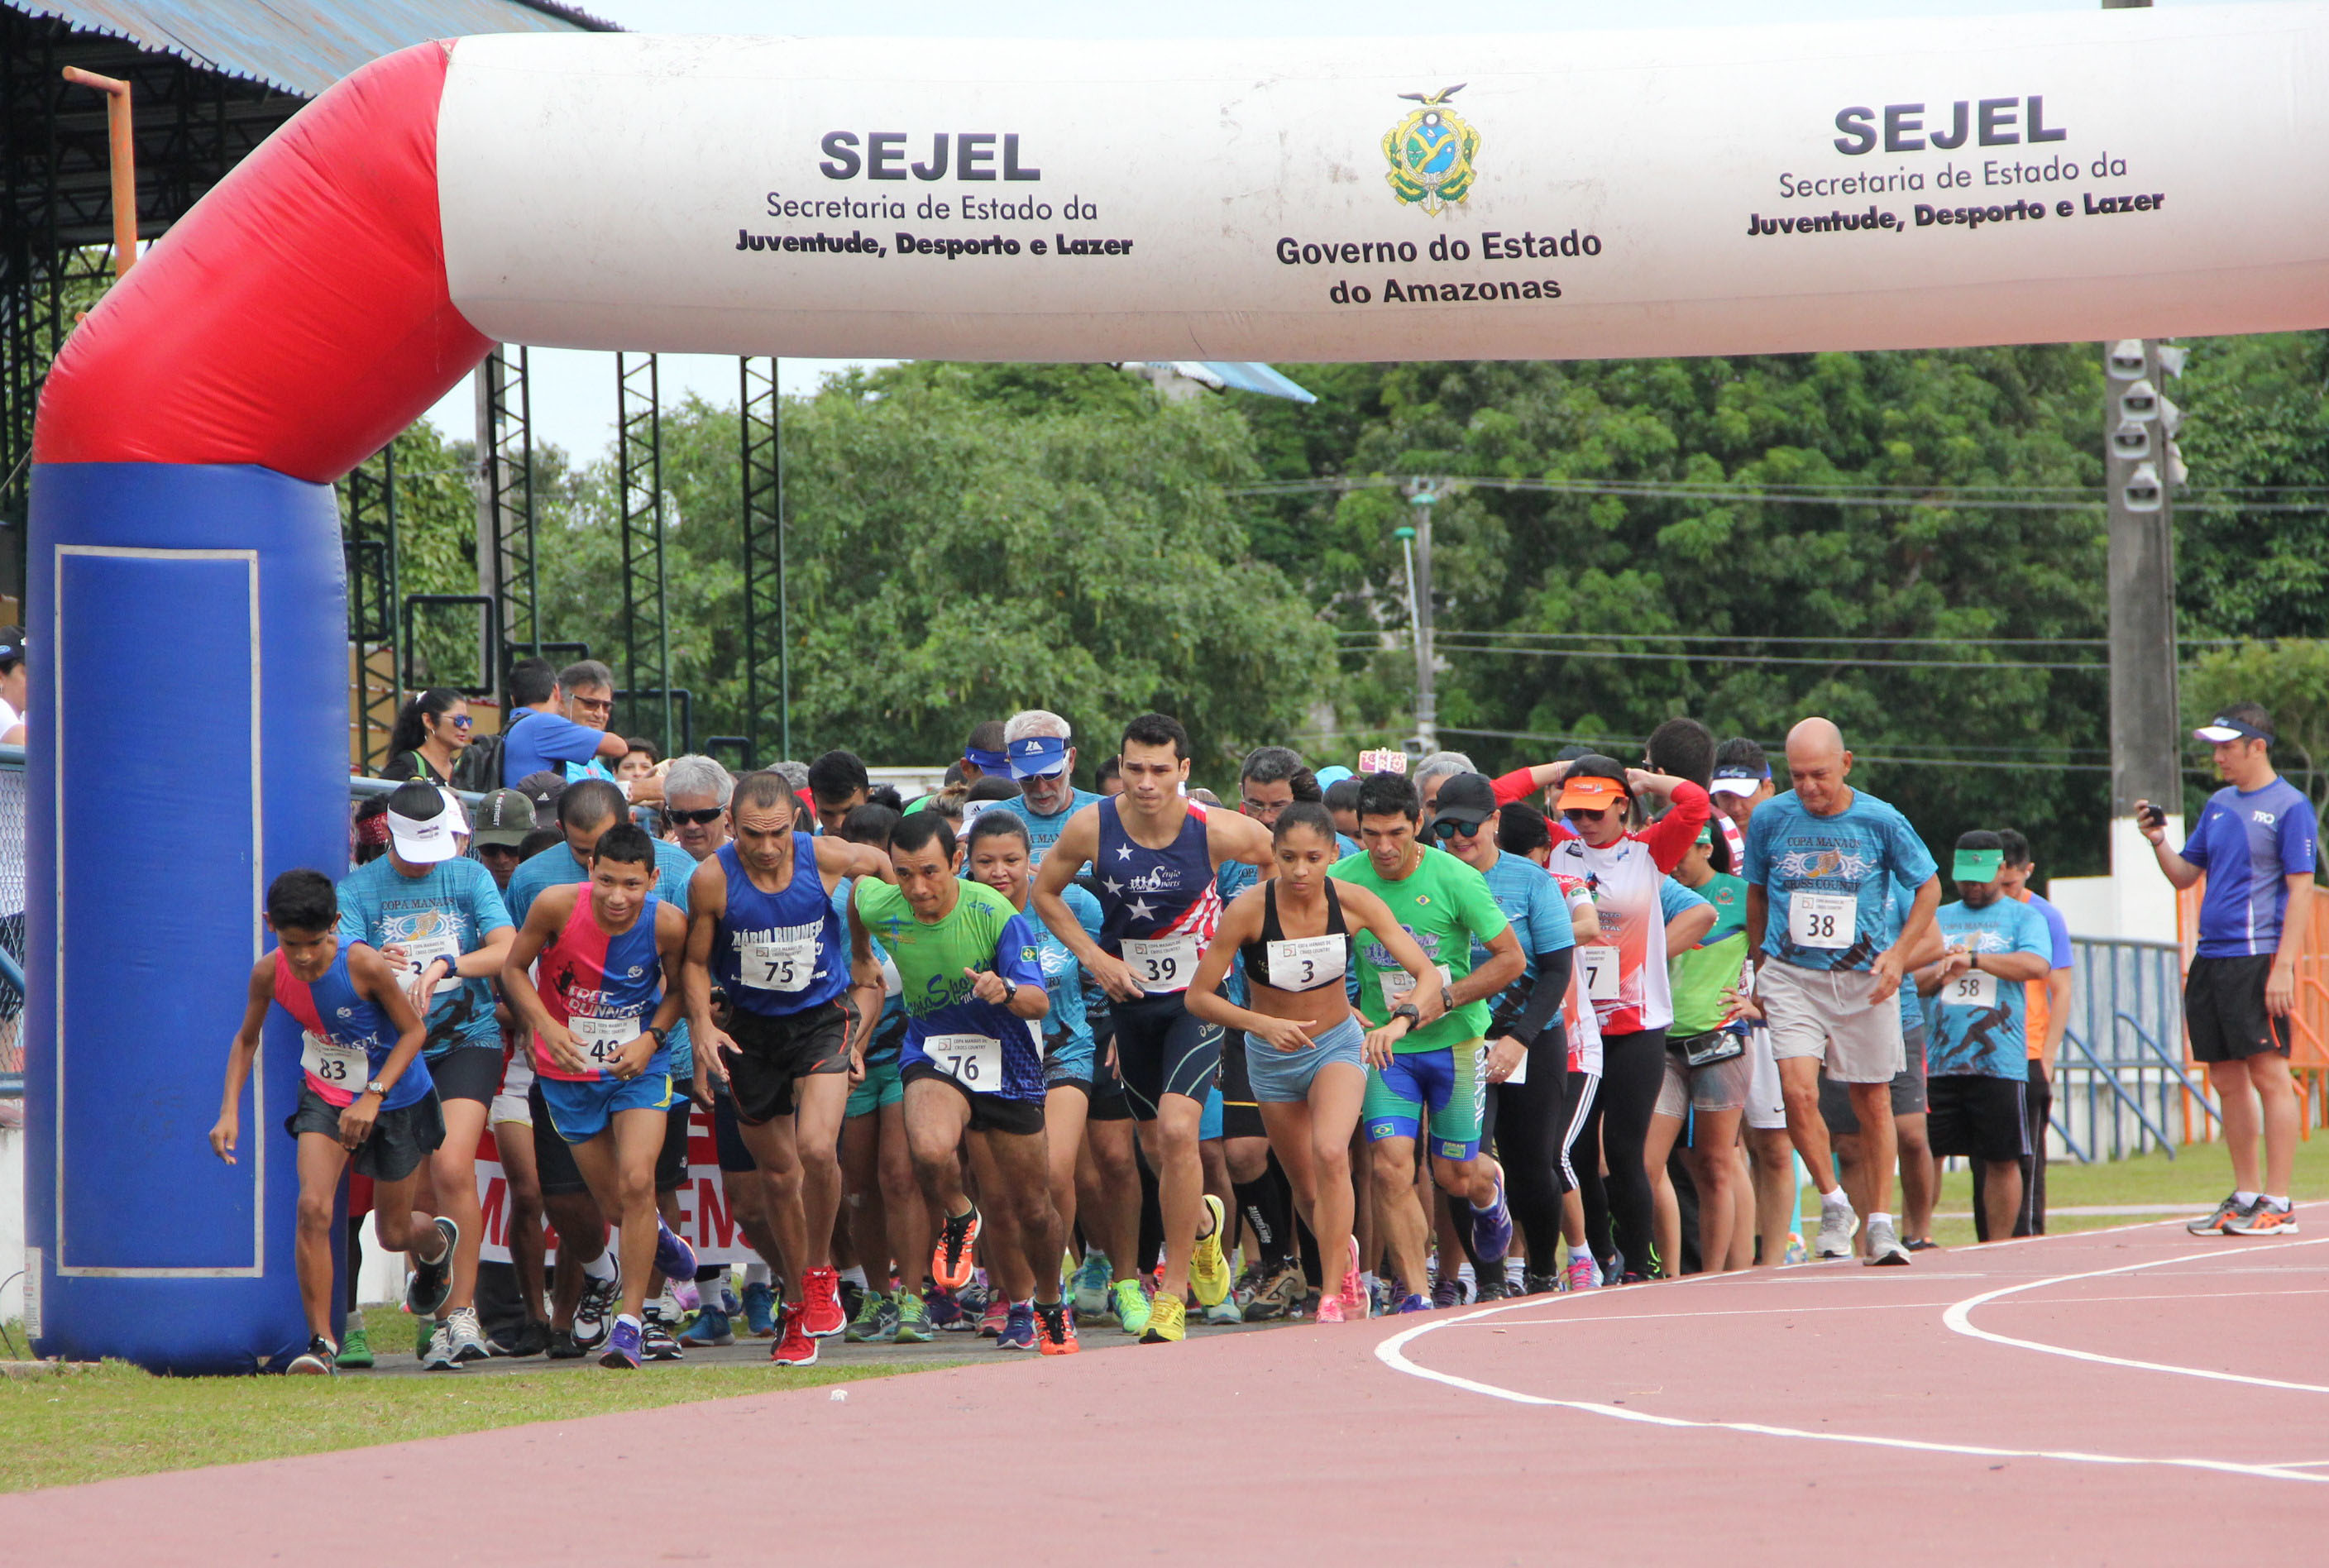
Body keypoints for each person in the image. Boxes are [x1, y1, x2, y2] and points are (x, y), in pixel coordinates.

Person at [1032, 712, 1273, 1343]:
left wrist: (1240, 935)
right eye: (1135, 768)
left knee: (1176, 1129)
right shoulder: (1092, 825)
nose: (1146, 783)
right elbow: (1046, 895)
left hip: (1195, 1002)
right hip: (1129, 1002)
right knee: (1153, 1147)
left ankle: (1172, 1291)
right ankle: (1201, 1230)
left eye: (1160, 770)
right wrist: (1096, 958)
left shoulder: (1217, 830)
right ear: (1119, 768)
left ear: (1184, 772)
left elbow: (1281, 868)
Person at [1193, 799, 1446, 1322]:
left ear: (1334, 853)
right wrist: (1262, 1024)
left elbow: (1428, 975)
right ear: (1274, 856)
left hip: (1336, 1043)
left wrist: (1401, 1021)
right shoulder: (1248, 908)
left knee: (1332, 1152)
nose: (1300, 870)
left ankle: (1334, 1288)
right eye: (1288, 858)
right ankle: (1342, 1253)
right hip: (1271, 1052)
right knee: (1307, 1189)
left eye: (1313, 857)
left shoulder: (1355, 902)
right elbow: (1199, 997)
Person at [208, 870, 453, 1374]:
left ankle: (437, 1245)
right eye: (290, 942)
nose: (302, 956)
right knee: (314, 1208)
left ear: (336, 926)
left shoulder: (361, 964)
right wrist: (228, 1108)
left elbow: (413, 1033)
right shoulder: (266, 973)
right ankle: (321, 1342)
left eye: (315, 944)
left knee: (393, 1234)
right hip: (324, 1092)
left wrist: (373, 1095)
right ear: (269, 924)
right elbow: (246, 1039)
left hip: (395, 1098)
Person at [683, 770, 890, 1365]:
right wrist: (702, 1026)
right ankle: (796, 1304)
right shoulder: (712, 880)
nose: (767, 847)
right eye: (752, 835)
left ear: (795, 823)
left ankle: (822, 1273)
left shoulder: (824, 856)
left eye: (777, 833)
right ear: (731, 823)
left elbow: (879, 872)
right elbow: (695, 965)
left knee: (818, 1150)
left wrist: (861, 947)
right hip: (749, 1031)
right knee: (777, 1178)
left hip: (822, 1019)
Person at [856, 812, 1077, 1354]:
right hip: (935, 1048)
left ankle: (1049, 1303)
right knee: (929, 1151)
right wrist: (863, 958)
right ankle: (959, 1212)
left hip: (1008, 1060)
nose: (918, 888)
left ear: (955, 862)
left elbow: (1038, 1001)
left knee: (1032, 1206)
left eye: (930, 872)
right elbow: (858, 893)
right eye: (904, 874)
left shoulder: (995, 914)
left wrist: (1002, 989)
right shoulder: (882, 903)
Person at [503, 780, 698, 1357]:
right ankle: (657, 1239)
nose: (617, 896)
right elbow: (515, 971)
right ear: (591, 871)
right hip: (568, 1074)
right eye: (606, 880)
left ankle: (631, 1324)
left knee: (640, 1181)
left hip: (638, 1067)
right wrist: (545, 1025)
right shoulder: (553, 906)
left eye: (631, 884)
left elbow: (682, 989)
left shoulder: (666, 924)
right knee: (616, 1205)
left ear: (652, 881)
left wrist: (653, 1038)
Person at [1743, 718, 1940, 1268]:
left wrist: (1898, 954)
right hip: (1790, 973)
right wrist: (1758, 966)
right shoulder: (1770, 818)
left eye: (1820, 775)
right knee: (1797, 1089)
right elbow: (1756, 896)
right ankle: (1833, 1201)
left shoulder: (1880, 820)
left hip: (1861, 979)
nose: (1808, 787)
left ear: (1846, 764)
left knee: (1871, 1097)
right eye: (1797, 776)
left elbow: (1929, 886)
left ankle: (1879, 1223)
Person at [336, 782, 514, 1368]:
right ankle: (436, 1304)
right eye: (415, 847)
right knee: (407, 1204)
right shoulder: (359, 888)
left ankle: (462, 1315)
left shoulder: (467, 877)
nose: (425, 860)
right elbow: (342, 960)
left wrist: (446, 964)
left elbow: (507, 948)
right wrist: (369, 963)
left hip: (467, 1038)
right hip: (394, 1053)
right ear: (389, 833)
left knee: (453, 1164)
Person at [1333, 770, 1523, 1310]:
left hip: (1455, 1044)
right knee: (1391, 1165)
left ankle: (1492, 1193)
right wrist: (1340, 1008)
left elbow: (1512, 959)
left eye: (1396, 832)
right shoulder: (1343, 879)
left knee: (1455, 1176)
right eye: (1371, 834)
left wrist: (1447, 996)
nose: (1384, 847)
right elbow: (1320, 958)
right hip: (1385, 1047)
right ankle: (1414, 1293)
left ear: (1419, 823)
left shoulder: (1456, 878)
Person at [2139, 703, 2317, 1237]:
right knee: (2224, 1077)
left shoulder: (2291, 807)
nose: (2217, 757)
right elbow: (2184, 876)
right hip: (2211, 958)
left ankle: (2279, 1201)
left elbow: (2301, 888)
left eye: (2226, 747)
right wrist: (2158, 842)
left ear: (2256, 746)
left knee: (2269, 1072)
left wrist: (2283, 966)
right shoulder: (2217, 805)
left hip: (2257, 957)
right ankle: (2245, 1195)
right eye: (2214, 748)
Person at [1547, 755, 1712, 1281]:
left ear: (1622, 807)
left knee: (1624, 1151)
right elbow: (1498, 800)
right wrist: (1557, 770)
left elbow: (1695, 803)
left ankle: (1640, 1265)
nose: (1585, 822)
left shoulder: (1648, 853)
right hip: (1577, 1024)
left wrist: (1646, 780)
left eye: (1596, 811)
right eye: (1575, 811)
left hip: (1637, 1025)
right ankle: (1600, 1258)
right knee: (1574, 1149)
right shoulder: (1557, 847)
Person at [1425, 773, 1578, 1297]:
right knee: (1460, 1161)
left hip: (1530, 1036)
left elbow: (1557, 969)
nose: (1459, 837)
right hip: (1459, 1039)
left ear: (1494, 822)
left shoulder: (1532, 881)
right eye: (1446, 828)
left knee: (1534, 1162)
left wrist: (1521, 1040)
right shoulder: (1429, 876)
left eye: (1470, 826)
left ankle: (1540, 1271)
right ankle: (1488, 1280)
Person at [658, 755, 788, 1346]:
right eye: (677, 817)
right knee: (700, 1180)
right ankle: (711, 1302)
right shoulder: (657, 867)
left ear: (729, 814)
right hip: (680, 1046)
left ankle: (767, 1288)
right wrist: (691, 1031)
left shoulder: (768, 861)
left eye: (704, 816)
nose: (690, 827)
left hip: (761, 1040)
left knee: (770, 1174)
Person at [965, 812, 1102, 1330]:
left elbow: (1100, 972)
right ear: (967, 864)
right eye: (986, 862)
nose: (999, 872)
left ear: (1032, 861)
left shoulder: (1075, 905)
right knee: (996, 1192)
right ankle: (1013, 1297)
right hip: (988, 1061)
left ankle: (1054, 1284)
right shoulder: (958, 910)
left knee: (1052, 1171)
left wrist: (1114, 1035)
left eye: (1011, 861)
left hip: (1063, 1051)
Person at [1902, 830, 2054, 1243]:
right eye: (1964, 877)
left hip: (1999, 1059)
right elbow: (1910, 977)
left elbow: (2037, 965)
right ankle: (1918, 1235)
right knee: (1924, 1151)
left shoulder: (2025, 917)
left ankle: (1999, 1245)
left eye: (1982, 877)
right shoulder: (1938, 918)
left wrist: (1973, 960)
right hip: (1937, 1058)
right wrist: (1938, 973)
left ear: (2003, 870)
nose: (1972, 886)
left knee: (2001, 1157)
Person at [1649, 823, 1748, 1276]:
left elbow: (1779, 952)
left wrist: (1758, 1001)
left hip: (1720, 1041)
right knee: (1648, 1163)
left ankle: (1712, 1275)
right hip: (1663, 1044)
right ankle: (1668, 1273)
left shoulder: (1740, 894)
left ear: (1706, 847)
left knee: (1715, 1164)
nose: (1671, 863)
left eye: (1680, 853)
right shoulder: (1658, 891)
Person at [1711, 736, 1796, 1267]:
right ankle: (1742, 1260)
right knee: (1729, 1146)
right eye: (1723, 795)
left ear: (1769, 786)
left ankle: (1776, 1255)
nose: (1735, 806)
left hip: (1772, 1011)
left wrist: (1769, 999)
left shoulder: (1789, 843)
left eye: (1745, 794)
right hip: (1721, 1009)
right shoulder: (1714, 846)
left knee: (1774, 1142)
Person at [1996, 829, 2073, 1237]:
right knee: (1989, 1153)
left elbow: (2061, 990)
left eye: (2012, 883)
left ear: (2028, 872)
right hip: (1983, 1049)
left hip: (2027, 1048)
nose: (2004, 892)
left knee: (2028, 1154)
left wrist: (2048, 1055)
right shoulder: (1974, 912)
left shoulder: (2044, 916)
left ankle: (2029, 1234)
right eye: (1998, 881)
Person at [499, 657, 629, 789]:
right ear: (558, 693)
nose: (600, 714)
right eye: (590, 703)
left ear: (513, 699)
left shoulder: (516, 726)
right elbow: (618, 747)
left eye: (607, 706)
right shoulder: (543, 725)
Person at [997, 710, 1105, 865]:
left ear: (1071, 760)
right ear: (1010, 762)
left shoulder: (1107, 813)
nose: (1041, 788)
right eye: (1027, 776)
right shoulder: (995, 818)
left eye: (1050, 775)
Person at [382, 688, 474, 786]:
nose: (465, 727)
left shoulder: (462, 770)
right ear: (428, 721)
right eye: (458, 720)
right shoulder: (406, 765)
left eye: (468, 721)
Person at [469, 788, 538, 888]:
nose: (501, 860)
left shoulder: (554, 887)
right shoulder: (465, 890)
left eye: (513, 849)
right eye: (490, 848)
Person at [806, 749, 872, 836]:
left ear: (868, 798)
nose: (839, 824)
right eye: (827, 813)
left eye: (849, 811)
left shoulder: (891, 845)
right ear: (814, 802)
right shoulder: (804, 849)